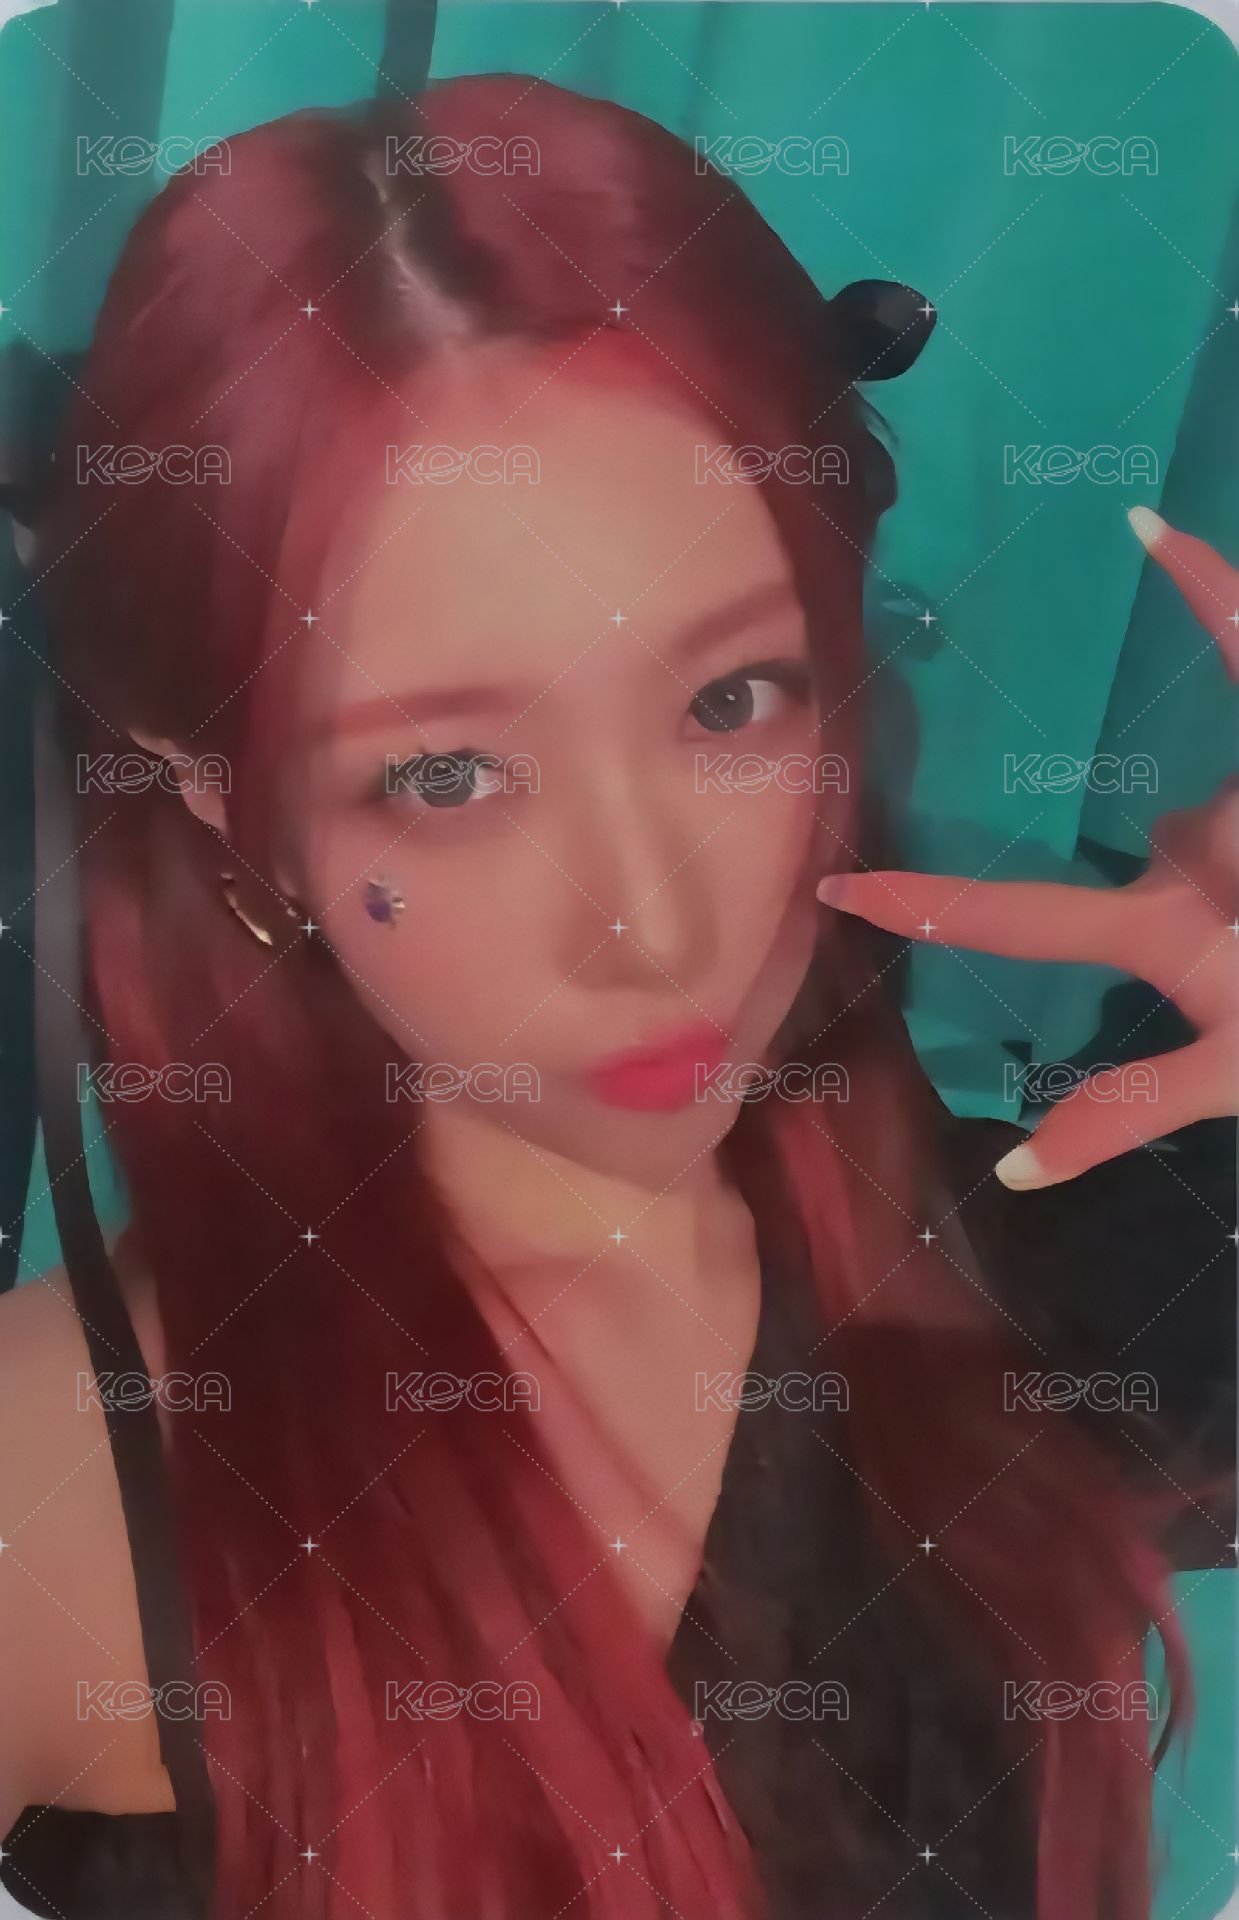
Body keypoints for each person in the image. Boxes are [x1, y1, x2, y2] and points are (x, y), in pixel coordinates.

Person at [0, 73, 1233, 1920]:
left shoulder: (1005, 1260)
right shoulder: (67, 1495)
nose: (655, 929)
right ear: (220, 805)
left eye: (732, 701)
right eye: (447, 773)